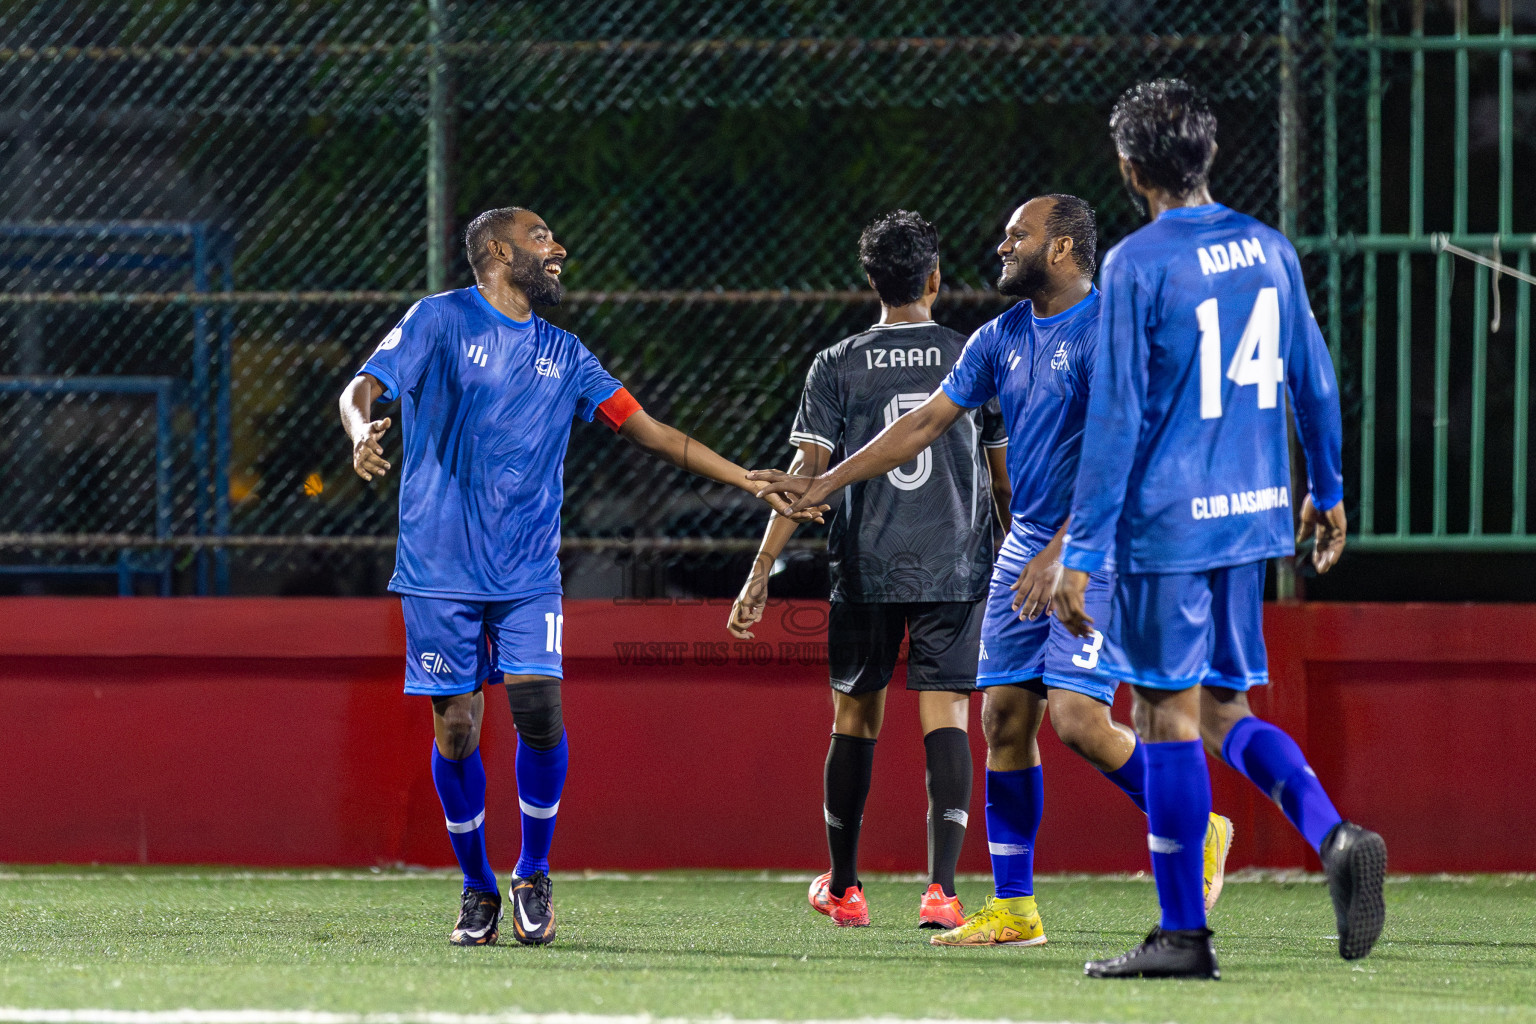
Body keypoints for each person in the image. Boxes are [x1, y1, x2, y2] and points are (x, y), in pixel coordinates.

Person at [750, 195, 1232, 949]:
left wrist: (1066, 549)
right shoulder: (998, 336)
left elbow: (1131, 456)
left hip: (1096, 542)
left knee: (1075, 719)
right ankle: (1014, 909)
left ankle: (1195, 824)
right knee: (1004, 719)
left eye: (1019, 236)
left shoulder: (1108, 331)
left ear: (1066, 249)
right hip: (1027, 547)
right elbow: (922, 425)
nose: (1002, 245)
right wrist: (823, 485)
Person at [339, 206, 821, 948]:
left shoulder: (566, 354)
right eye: (541, 239)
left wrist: (748, 481)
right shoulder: (438, 320)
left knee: (538, 711)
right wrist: (358, 430)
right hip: (439, 569)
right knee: (458, 727)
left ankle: (532, 872)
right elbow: (363, 386)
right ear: (499, 251)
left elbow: (648, 428)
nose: (558, 248)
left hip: (527, 572)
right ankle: (477, 889)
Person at [1052, 79, 1386, 980]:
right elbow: (1313, 380)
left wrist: (1080, 555)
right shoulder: (1270, 248)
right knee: (1225, 709)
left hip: (1168, 529)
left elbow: (1118, 419)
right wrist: (1329, 486)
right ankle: (1335, 832)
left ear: (1129, 167)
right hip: (1253, 519)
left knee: (1163, 712)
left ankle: (1181, 935)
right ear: (1209, 154)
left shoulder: (1135, 263)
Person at [728, 210, 1009, 930]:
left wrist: (761, 570)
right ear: (936, 278)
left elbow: (803, 477)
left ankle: (846, 888)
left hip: (867, 563)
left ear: (871, 281)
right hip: (955, 561)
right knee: (946, 712)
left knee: (855, 716)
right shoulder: (974, 353)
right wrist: (1019, 559)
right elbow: (1003, 481)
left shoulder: (838, 362)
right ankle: (942, 891)